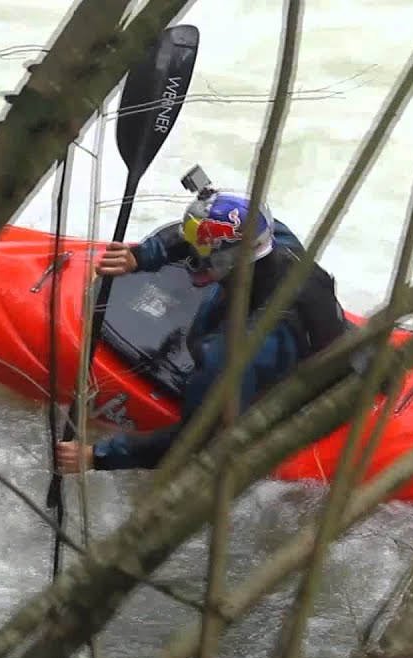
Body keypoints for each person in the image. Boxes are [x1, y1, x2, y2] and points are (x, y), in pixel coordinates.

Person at [54, 188, 350, 473]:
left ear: (228, 260)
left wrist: (96, 456)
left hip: (282, 375)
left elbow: (196, 439)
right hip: (320, 341)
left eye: (202, 251)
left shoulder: (235, 349)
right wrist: (142, 256)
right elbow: (201, 241)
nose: (194, 254)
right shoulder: (275, 238)